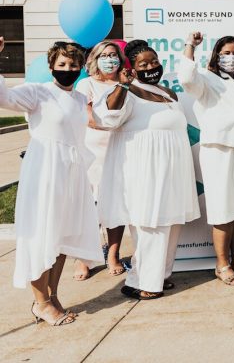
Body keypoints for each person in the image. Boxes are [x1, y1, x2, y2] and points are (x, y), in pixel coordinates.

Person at [0, 39, 102, 326]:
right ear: (50, 67)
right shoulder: (37, 92)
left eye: (72, 64)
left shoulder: (82, 99)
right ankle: (40, 302)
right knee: (40, 233)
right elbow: (3, 97)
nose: (67, 69)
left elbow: (95, 125)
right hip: (45, 169)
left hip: (71, 171)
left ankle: (53, 295)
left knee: (62, 235)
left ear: (81, 67)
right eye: (61, 65)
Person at [94, 40, 199, 300]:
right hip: (145, 171)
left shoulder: (167, 92)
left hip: (172, 170)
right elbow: (108, 117)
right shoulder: (128, 91)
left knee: (170, 223)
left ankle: (158, 275)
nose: (151, 67)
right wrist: (122, 84)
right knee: (151, 224)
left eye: (154, 62)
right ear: (132, 68)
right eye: (144, 64)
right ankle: (147, 283)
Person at [179, 33, 234, 286]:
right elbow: (186, 78)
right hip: (220, 150)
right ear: (216, 56)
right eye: (225, 53)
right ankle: (222, 263)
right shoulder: (207, 79)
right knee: (223, 208)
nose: (231, 57)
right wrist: (190, 46)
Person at [73, 40, 127, 281]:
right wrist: (113, 123)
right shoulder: (87, 84)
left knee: (117, 208)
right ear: (95, 59)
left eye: (114, 54)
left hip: (120, 152)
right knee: (90, 210)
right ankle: (84, 258)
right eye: (104, 55)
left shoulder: (125, 84)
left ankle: (114, 254)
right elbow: (88, 118)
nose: (110, 59)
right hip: (93, 155)